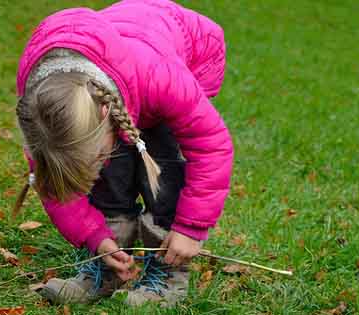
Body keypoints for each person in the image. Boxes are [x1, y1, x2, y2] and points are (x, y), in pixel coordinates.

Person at [14, 0, 233, 307]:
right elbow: (55, 183)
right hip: (122, 71)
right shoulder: (45, 114)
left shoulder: (164, 81)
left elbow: (211, 145)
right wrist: (97, 237)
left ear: (106, 114)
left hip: (184, 57)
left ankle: (167, 273)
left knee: (163, 165)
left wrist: (191, 228)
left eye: (94, 159)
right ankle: (109, 264)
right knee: (112, 170)